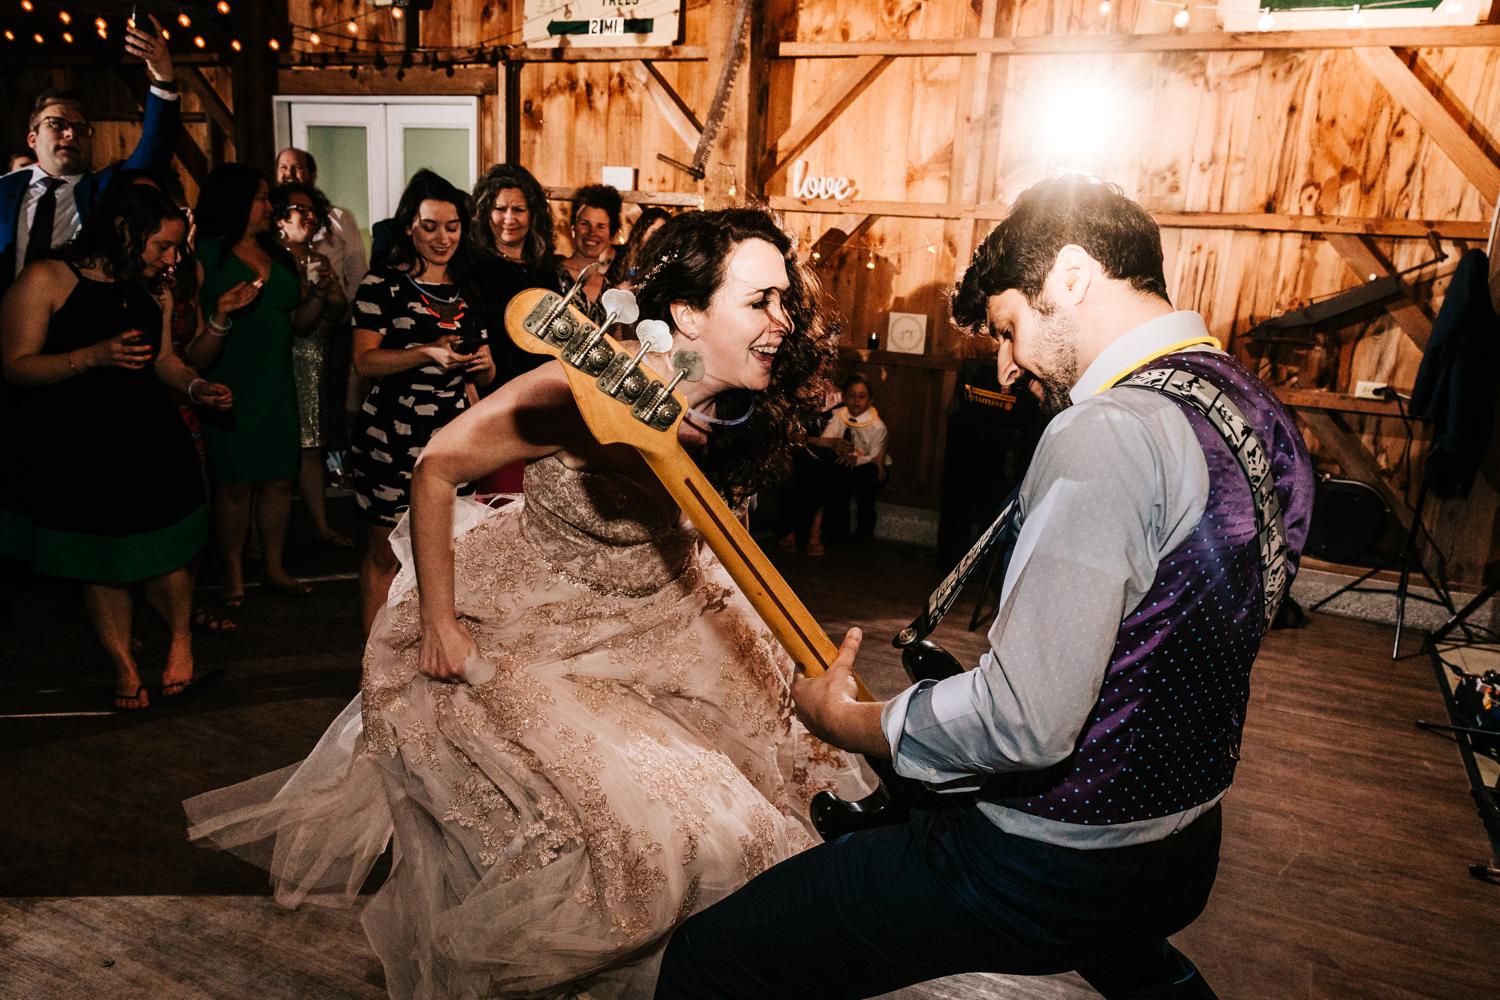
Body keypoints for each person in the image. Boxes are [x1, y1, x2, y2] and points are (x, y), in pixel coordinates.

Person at [655, 176, 1317, 999]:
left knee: (710, 961)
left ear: (1071, 276)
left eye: (1009, 328)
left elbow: (1026, 724)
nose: (1007, 367)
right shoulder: (1250, 406)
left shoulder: (1109, 432)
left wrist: (850, 722)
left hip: (1051, 859)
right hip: (1180, 846)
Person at [185, 206, 871, 998]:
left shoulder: (740, 404)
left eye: (786, 300)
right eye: (760, 302)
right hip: (538, 625)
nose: (782, 321)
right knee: (665, 837)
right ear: (686, 313)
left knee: (792, 799)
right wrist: (441, 625)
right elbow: (436, 469)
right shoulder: (580, 384)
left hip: (667, 615)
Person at [0, 184, 232, 709]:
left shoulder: (154, 288)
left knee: (168, 551)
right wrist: (93, 355)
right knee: (100, 558)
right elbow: (16, 365)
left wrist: (197, 387)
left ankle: (180, 641)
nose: (171, 258)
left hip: (149, 436)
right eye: (163, 246)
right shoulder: (47, 278)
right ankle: (124, 666)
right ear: (126, 232)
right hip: (78, 441)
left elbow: (164, 360)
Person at [348, 169, 495, 635]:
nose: (442, 237)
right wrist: (424, 353)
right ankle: (373, 662)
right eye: (430, 226)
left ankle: (428, 643)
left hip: (454, 437)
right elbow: (363, 363)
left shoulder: (467, 290)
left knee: (450, 547)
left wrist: (483, 365)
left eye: (452, 227)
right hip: (392, 434)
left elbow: (487, 376)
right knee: (384, 552)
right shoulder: (381, 286)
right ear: (409, 226)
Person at [188, 164, 330, 609]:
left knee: (276, 480)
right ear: (235, 201)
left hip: (277, 381)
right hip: (230, 380)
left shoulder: (278, 252)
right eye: (262, 198)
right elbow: (191, 327)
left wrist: (320, 297)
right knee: (233, 484)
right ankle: (231, 571)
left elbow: (297, 323)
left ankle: (273, 565)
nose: (270, 207)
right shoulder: (204, 254)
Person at [0, 15, 180, 297]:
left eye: (81, 129)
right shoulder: (5, 189)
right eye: (57, 124)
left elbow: (153, 151)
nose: (70, 134)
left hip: (82, 323)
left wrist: (162, 77)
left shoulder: (106, 189)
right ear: (32, 138)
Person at [272, 181, 352, 549]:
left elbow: (339, 309)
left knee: (314, 442)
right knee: (278, 446)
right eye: (295, 209)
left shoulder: (319, 259)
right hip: (278, 354)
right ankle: (266, 536)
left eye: (310, 210)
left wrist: (328, 291)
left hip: (315, 355)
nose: (304, 215)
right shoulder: (270, 258)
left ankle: (320, 525)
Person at [468, 162, 561, 387]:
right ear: (485, 213)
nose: (509, 219)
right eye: (500, 209)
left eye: (519, 210)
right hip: (494, 389)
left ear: (533, 214)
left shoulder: (545, 269)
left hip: (540, 387)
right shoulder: (474, 265)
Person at [806, 372, 888, 549]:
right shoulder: (838, 415)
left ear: (870, 400)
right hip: (844, 462)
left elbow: (874, 456)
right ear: (844, 397)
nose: (856, 401)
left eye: (862, 396)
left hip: (867, 465)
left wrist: (856, 459)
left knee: (867, 482)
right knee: (835, 477)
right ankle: (836, 531)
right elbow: (826, 440)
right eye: (851, 396)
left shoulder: (877, 425)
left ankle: (864, 535)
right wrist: (836, 449)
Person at [554, 183, 621, 324]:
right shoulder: (551, 275)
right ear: (573, 227)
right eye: (585, 224)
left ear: (612, 234)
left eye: (601, 226)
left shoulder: (610, 290)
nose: (592, 233)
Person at [607, 206, 672, 290]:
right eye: (654, 232)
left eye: (662, 233)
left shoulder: (664, 260)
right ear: (642, 231)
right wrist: (618, 290)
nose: (658, 237)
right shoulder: (618, 254)